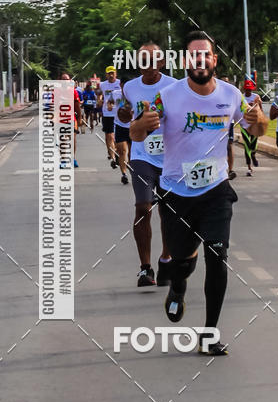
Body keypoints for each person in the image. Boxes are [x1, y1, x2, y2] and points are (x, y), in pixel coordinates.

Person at [131, 30, 267, 355]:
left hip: (216, 190)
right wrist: (143, 122)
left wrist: (258, 118)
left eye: (205, 55)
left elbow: (257, 128)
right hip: (177, 192)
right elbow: (136, 133)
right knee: (181, 263)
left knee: (218, 256)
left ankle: (210, 334)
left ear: (214, 60)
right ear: (186, 61)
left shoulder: (232, 94)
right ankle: (177, 287)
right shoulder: (168, 95)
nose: (200, 60)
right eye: (193, 55)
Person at [125, 43, 176, 287]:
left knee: (168, 212)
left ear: (161, 62)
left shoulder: (174, 87)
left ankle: (166, 258)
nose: (147, 64)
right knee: (143, 208)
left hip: (170, 158)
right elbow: (128, 116)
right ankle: (145, 268)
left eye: (152, 59)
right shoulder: (130, 87)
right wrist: (128, 116)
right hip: (141, 155)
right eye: (142, 59)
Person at [111, 76, 131, 185]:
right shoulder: (115, 94)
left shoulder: (135, 94)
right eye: (124, 86)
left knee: (132, 154)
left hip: (133, 126)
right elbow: (109, 102)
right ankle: (124, 174)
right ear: (120, 85)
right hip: (120, 125)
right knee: (122, 151)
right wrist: (109, 106)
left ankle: (133, 172)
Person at [59, 73, 81, 167]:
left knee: (73, 139)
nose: (65, 81)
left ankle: (73, 158)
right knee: (63, 139)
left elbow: (77, 106)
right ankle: (63, 160)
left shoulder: (73, 91)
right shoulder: (56, 92)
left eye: (67, 79)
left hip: (72, 118)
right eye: (63, 79)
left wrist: (79, 118)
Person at [99, 65, 119, 167]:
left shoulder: (120, 83)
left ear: (116, 73)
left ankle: (114, 151)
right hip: (107, 113)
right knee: (109, 136)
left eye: (113, 73)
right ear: (106, 75)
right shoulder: (102, 85)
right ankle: (113, 158)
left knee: (116, 137)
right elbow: (99, 93)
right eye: (109, 73)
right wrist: (99, 100)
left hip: (119, 113)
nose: (111, 75)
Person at [240, 78, 260, 176]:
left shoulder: (256, 97)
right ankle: (249, 167)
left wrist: (255, 105)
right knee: (247, 145)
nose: (248, 91)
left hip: (254, 125)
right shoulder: (241, 98)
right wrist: (246, 107)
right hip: (244, 125)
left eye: (250, 89)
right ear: (244, 89)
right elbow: (238, 111)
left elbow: (260, 110)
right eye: (247, 89)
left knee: (254, 146)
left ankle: (253, 155)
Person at [222, 76, 237, 179]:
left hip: (229, 123)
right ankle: (221, 170)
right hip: (217, 124)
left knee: (229, 145)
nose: (225, 83)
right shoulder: (214, 93)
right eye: (223, 81)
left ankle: (230, 170)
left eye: (227, 81)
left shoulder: (232, 94)